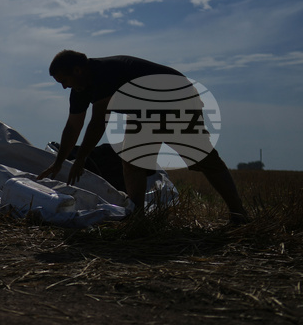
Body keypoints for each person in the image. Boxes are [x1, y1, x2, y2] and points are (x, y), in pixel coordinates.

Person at [36, 50, 250, 224]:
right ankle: (137, 217)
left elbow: (99, 121)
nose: (64, 87)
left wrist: (82, 158)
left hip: (175, 98)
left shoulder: (103, 73)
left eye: (65, 80)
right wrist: (59, 162)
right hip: (144, 111)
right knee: (131, 159)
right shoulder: (80, 88)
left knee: (202, 158)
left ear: (78, 69)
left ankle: (238, 215)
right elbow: (73, 127)